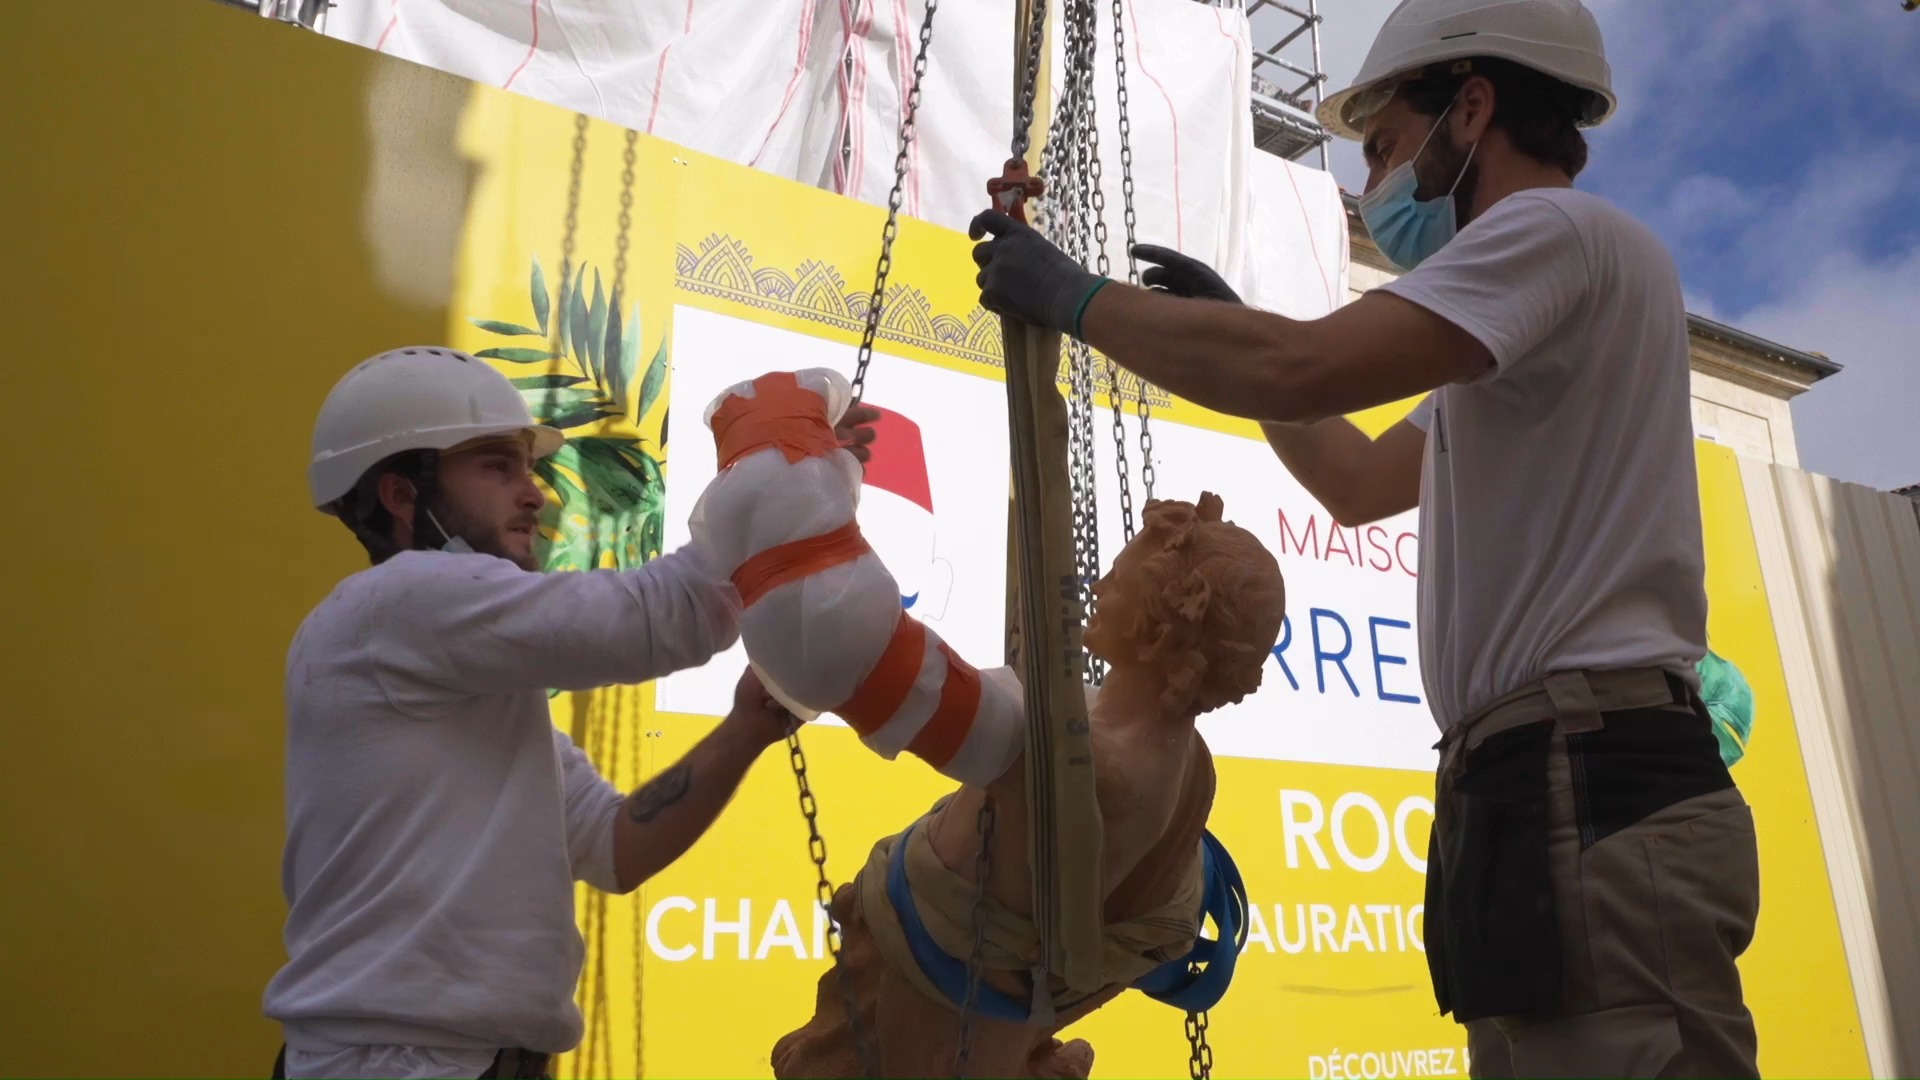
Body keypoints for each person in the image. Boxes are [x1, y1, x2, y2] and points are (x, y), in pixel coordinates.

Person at [966, 0, 1759, 1075]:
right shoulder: (1527, 325)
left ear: (1471, 109)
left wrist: (1074, 297)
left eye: (1384, 146)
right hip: (1534, 782)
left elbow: (1297, 367)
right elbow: (1359, 481)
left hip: (1582, 775)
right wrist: (1231, 340)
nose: (1373, 181)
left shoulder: (1553, 234)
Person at [263, 346, 878, 1080]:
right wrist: (788, 476)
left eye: (528, 468)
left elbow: (615, 845)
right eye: (497, 467)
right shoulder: (400, 601)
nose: (535, 494)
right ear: (401, 495)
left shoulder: (451, 674)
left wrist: (748, 728)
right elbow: (667, 613)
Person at [678, 368, 1282, 1077]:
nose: (1097, 587)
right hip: (959, 996)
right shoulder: (1181, 759)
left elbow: (832, 634)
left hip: (932, 1021)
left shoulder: (1084, 760)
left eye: (1117, 583)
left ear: (1161, 630)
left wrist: (774, 430)